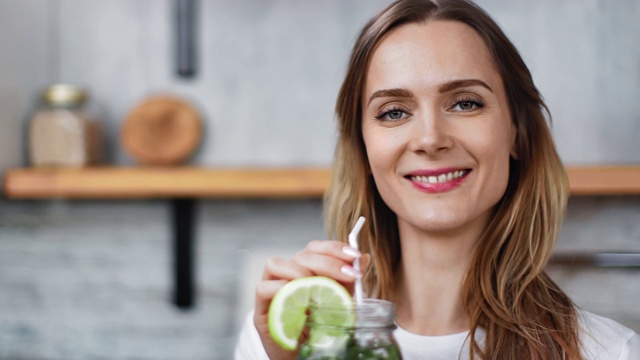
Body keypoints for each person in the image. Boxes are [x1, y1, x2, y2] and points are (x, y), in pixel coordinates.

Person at [235, 0, 640, 358]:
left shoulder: (608, 353)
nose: (430, 139)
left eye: (465, 103)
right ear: (362, 146)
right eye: (393, 112)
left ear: (516, 132)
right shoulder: (287, 344)